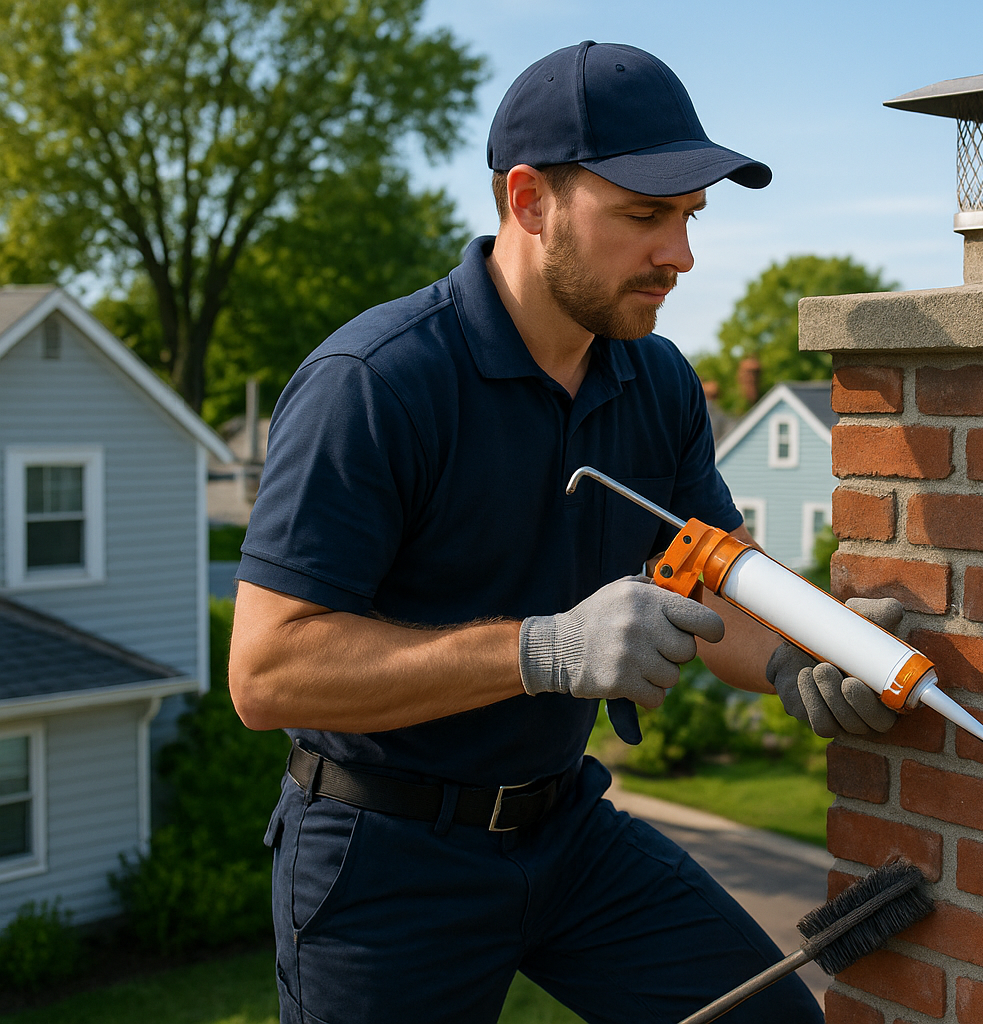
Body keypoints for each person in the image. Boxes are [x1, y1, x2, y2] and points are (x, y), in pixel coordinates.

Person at [228, 40, 899, 1024]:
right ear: (529, 200)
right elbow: (266, 672)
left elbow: (708, 572)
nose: (681, 254)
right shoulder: (377, 384)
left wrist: (806, 652)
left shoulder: (655, 380)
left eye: (688, 218)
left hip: (565, 830)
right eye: (644, 216)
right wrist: (543, 650)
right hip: (383, 852)